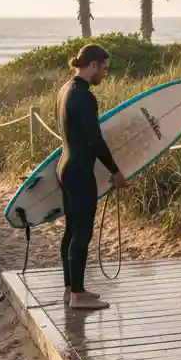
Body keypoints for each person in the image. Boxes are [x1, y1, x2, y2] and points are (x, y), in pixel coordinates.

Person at [57, 44, 127, 311]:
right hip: (79, 172)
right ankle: (77, 294)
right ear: (93, 65)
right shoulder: (85, 96)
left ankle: (70, 288)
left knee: (71, 230)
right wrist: (115, 172)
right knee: (82, 232)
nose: (105, 74)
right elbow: (95, 141)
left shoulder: (65, 90)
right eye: (104, 68)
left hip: (65, 167)